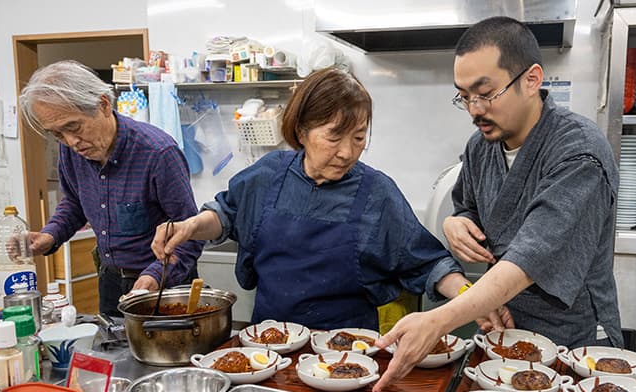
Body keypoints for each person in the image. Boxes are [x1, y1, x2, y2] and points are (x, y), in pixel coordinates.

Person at [373, 17, 623, 392]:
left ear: (532, 79)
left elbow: (529, 258)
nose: (474, 109)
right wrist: (454, 223)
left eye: (485, 93)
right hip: (505, 331)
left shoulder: (579, 154)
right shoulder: (481, 147)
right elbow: (469, 207)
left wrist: (438, 320)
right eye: (464, 96)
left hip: (574, 338)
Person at [152, 67, 468, 330]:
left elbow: (429, 263)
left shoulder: (377, 193)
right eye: (333, 136)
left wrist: (472, 299)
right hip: (270, 347)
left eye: (359, 137)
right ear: (302, 131)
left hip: (349, 355)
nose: (347, 152)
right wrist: (189, 227)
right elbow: (226, 214)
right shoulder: (267, 175)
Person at [19, 60, 202, 316]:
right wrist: (50, 235)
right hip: (111, 282)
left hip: (163, 285)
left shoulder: (157, 153)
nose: (71, 142)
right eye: (57, 134)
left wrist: (154, 276)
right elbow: (74, 202)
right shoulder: (72, 151)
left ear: (103, 105)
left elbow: (191, 233)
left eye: (74, 127)